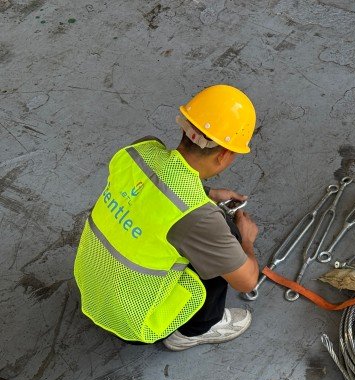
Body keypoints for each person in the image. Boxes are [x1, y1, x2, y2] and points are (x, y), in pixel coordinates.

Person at [73, 85, 261, 350]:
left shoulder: (139, 151)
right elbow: (247, 281)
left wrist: (208, 193)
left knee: (201, 237)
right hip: (134, 323)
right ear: (224, 155)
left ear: (185, 128)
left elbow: (152, 191)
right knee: (227, 238)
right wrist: (247, 240)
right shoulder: (200, 219)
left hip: (91, 286)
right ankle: (193, 331)